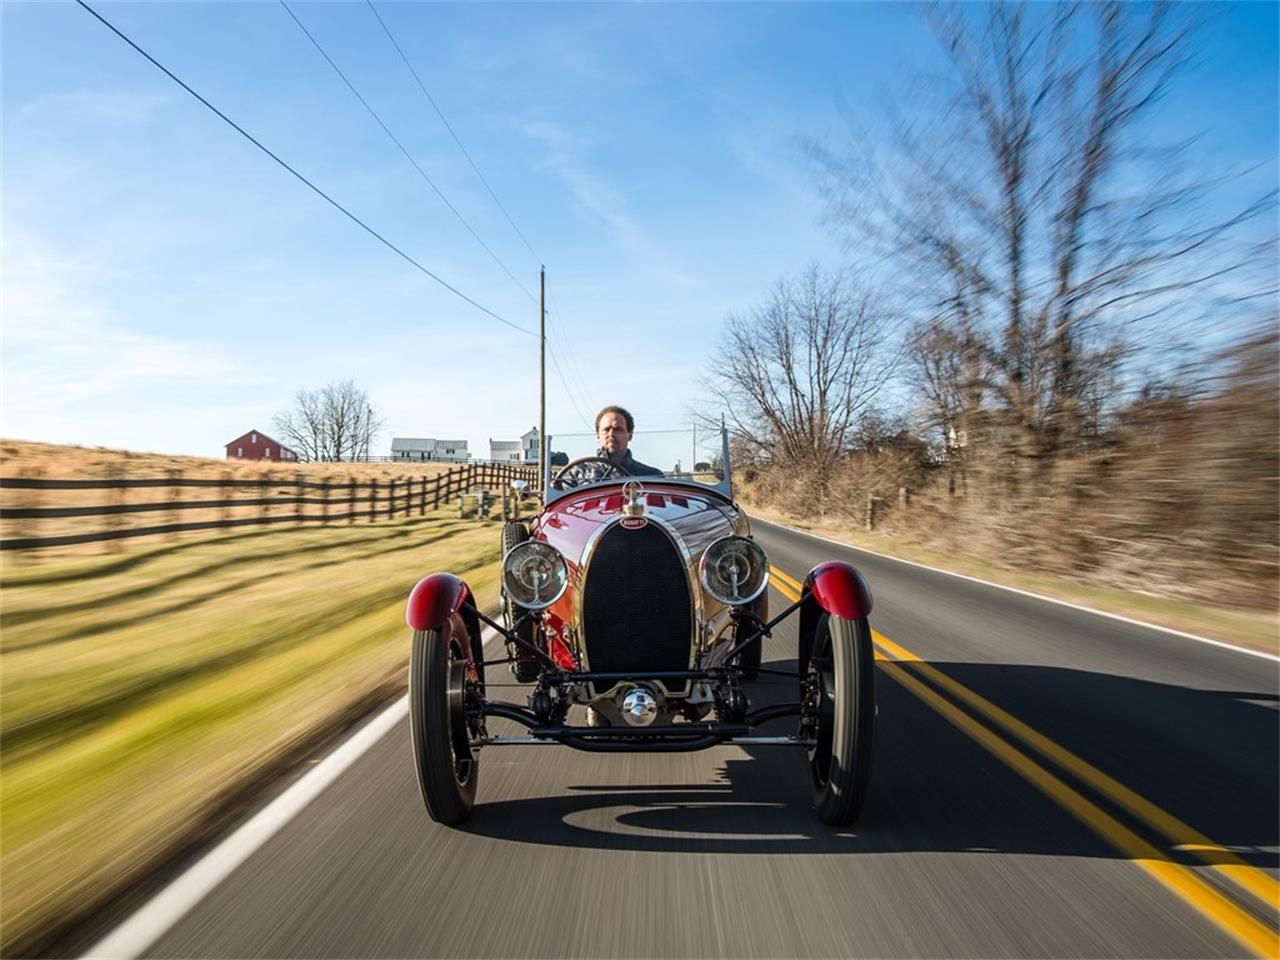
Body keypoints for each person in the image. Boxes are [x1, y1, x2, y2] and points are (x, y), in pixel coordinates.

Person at [556, 405, 662, 487]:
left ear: (630, 435)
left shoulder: (651, 476)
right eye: (606, 430)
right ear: (598, 436)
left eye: (618, 430)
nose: (611, 434)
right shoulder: (575, 475)